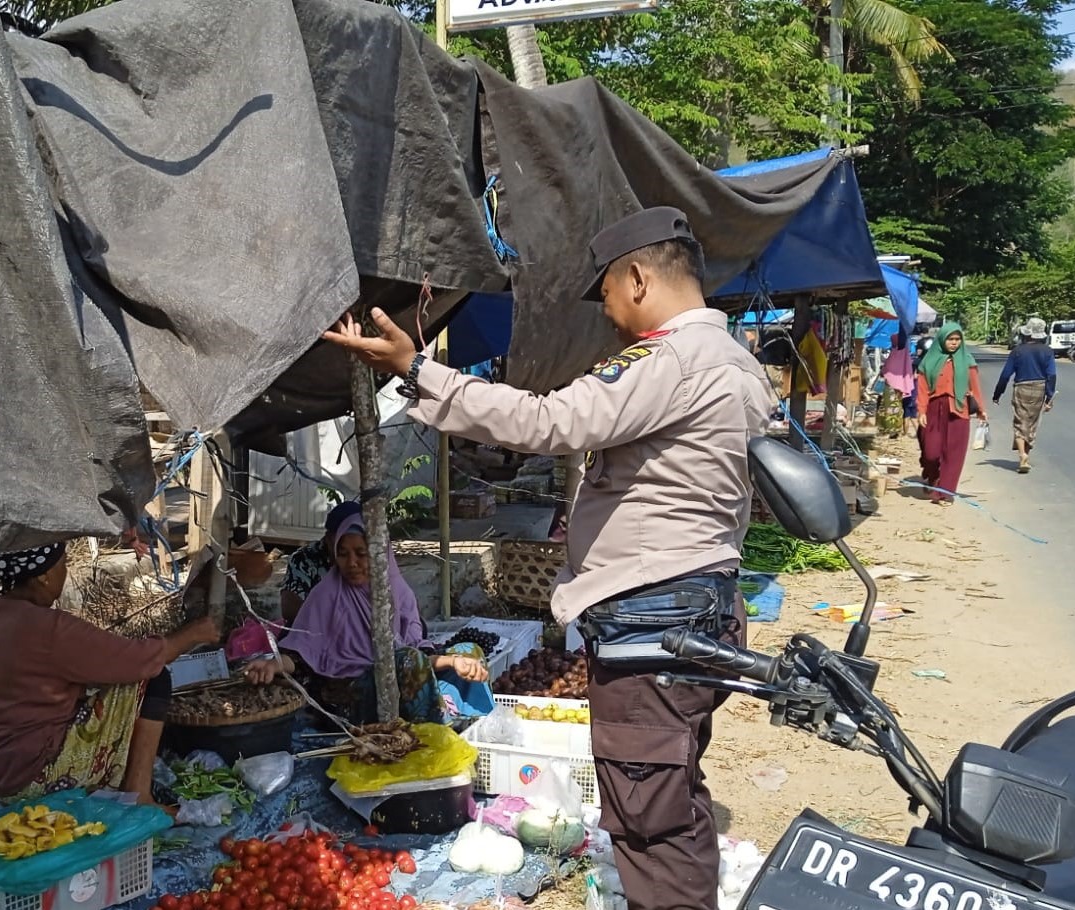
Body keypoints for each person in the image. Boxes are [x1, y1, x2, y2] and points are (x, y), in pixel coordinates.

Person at [323, 206, 771, 910]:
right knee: (671, 793)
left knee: (648, 817)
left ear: (636, 277)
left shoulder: (668, 359)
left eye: (607, 298)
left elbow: (547, 422)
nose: (609, 315)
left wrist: (419, 372)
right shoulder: (739, 364)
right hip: (702, 608)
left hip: (652, 619)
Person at [0, 543, 221, 809]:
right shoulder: (50, 627)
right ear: (43, 576)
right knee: (154, 677)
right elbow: (142, 659)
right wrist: (192, 634)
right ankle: (140, 793)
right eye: (63, 564)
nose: (65, 572)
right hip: (34, 778)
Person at [246, 515, 489, 724]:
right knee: (410, 661)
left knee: (469, 652)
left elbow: (416, 650)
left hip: (405, 682)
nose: (351, 563)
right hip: (354, 697)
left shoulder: (397, 592)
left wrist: (453, 660)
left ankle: (473, 723)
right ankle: (431, 735)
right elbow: (303, 654)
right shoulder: (327, 596)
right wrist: (273, 664)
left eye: (361, 553)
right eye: (343, 554)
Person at [915, 322, 988, 506]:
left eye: (957, 339)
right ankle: (933, 476)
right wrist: (921, 410)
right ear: (942, 339)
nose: (954, 343)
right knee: (931, 452)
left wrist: (981, 409)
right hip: (934, 409)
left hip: (958, 409)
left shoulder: (967, 360)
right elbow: (922, 388)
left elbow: (975, 387)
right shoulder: (929, 360)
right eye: (950, 339)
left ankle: (945, 493)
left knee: (953, 454)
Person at [280, 500, 362, 623]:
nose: (352, 561)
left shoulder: (372, 559)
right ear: (328, 538)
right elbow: (289, 608)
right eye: (343, 549)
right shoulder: (304, 559)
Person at [992, 317, 1056, 473]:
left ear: (1026, 334)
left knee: (1020, 422)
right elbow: (1051, 375)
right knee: (1032, 423)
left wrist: (997, 393)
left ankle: (1022, 456)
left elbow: (1006, 375)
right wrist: (1049, 397)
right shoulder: (1048, 351)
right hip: (1040, 388)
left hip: (1021, 388)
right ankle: (1026, 454)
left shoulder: (1018, 351)